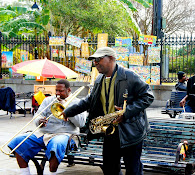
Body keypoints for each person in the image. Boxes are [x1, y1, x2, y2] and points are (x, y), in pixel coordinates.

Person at [61, 46, 154, 175]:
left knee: (133, 170)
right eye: (94, 60)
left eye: (98, 59)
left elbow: (148, 96)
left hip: (131, 133)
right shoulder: (99, 79)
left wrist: (126, 113)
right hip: (110, 132)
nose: (96, 63)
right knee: (110, 169)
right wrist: (68, 111)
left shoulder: (130, 76)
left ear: (111, 58)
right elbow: (89, 100)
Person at [8, 79, 87, 175]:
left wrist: (68, 111)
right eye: (56, 90)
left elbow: (81, 123)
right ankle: (25, 172)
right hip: (43, 133)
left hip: (65, 134)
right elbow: (37, 115)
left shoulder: (78, 102)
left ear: (68, 90)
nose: (58, 93)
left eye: (61, 91)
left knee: (56, 144)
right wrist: (39, 120)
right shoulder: (48, 100)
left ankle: (52, 173)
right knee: (18, 141)